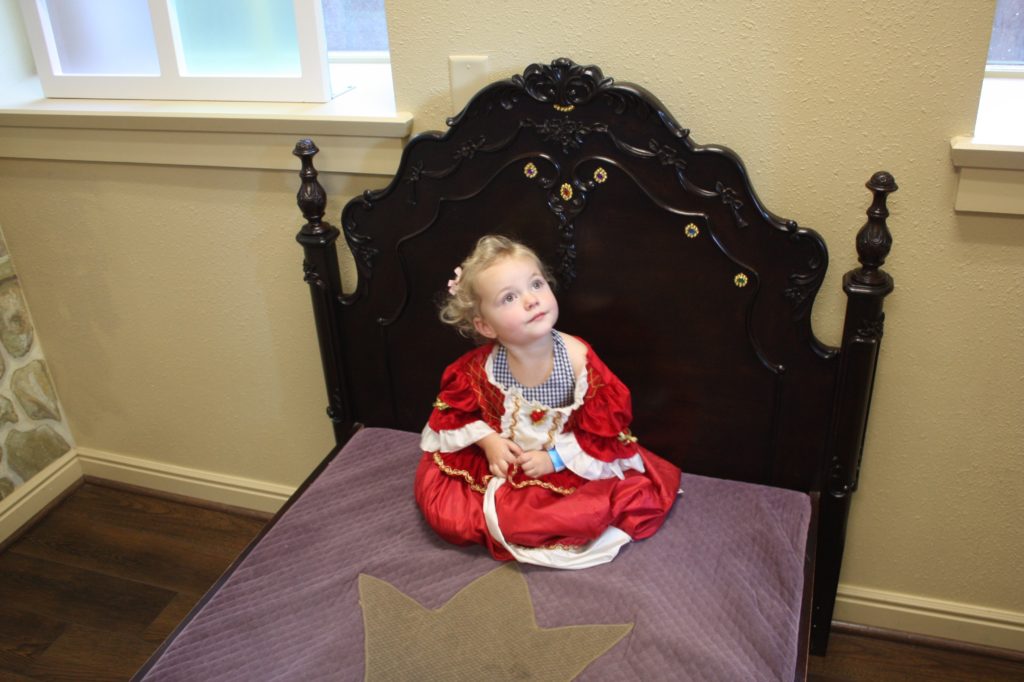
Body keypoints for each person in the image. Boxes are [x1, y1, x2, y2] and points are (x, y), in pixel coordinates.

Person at [414, 235, 681, 568]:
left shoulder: (577, 360)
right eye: (509, 297)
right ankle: (506, 516)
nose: (531, 300)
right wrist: (489, 441)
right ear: (485, 325)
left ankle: (527, 520)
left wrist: (554, 459)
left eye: (536, 284)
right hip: (504, 458)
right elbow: (454, 413)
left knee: (579, 513)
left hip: (566, 460)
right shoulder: (479, 368)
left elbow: (603, 430)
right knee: (447, 510)